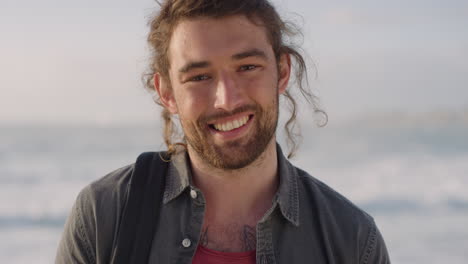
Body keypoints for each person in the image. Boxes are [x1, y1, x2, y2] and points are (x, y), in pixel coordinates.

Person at [56, 0, 390, 263]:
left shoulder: (352, 238)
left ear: (283, 71)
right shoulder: (103, 215)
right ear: (167, 92)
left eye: (247, 67)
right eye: (199, 76)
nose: (227, 99)